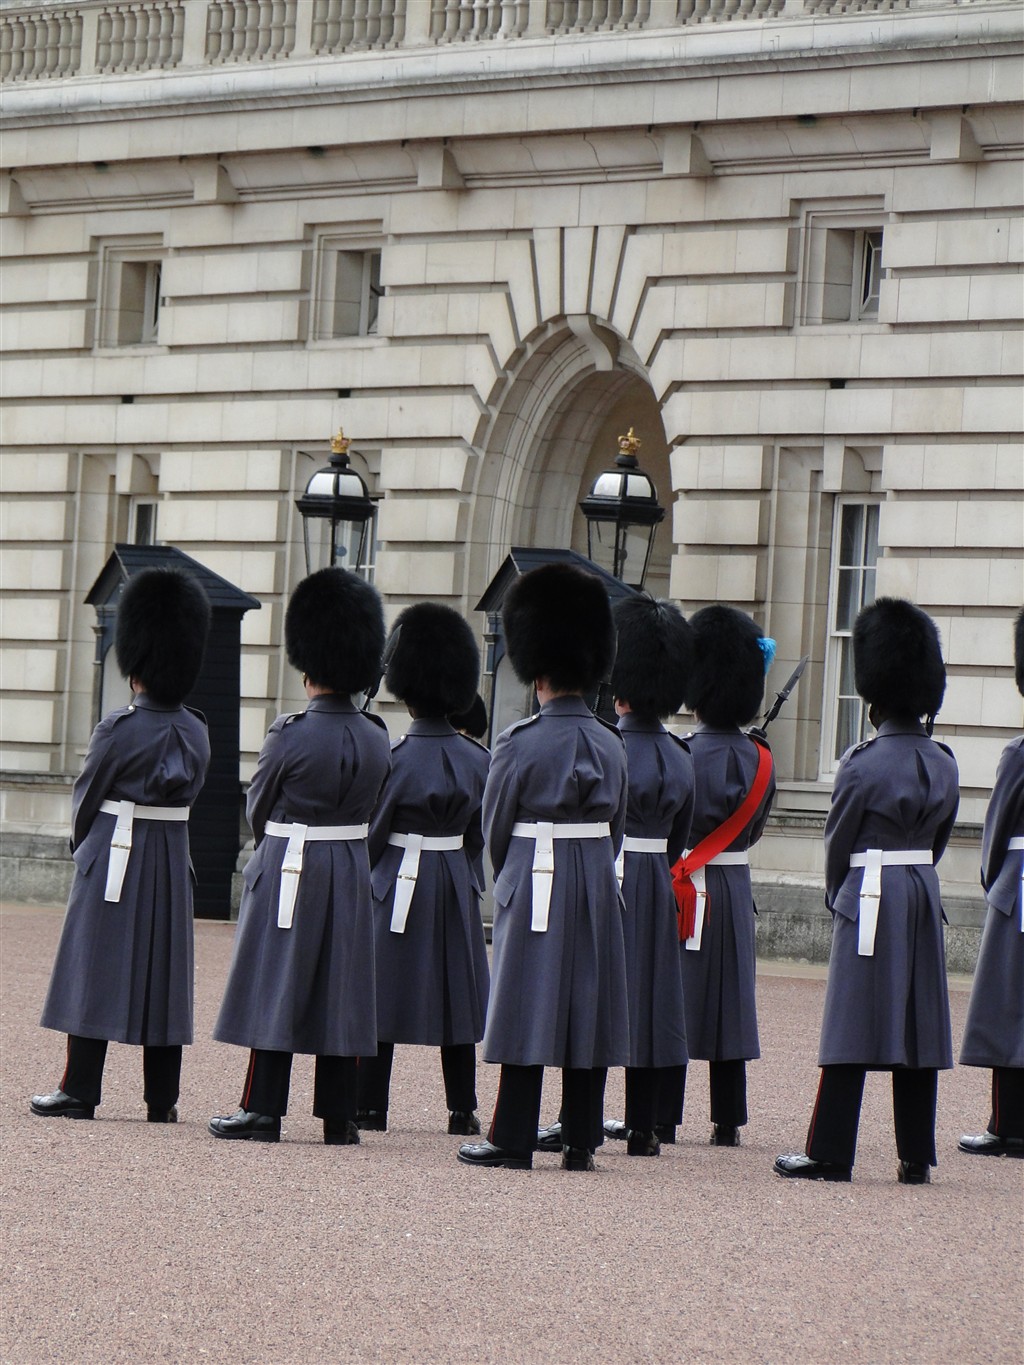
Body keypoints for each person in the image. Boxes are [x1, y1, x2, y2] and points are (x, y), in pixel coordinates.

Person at [774, 597, 959, 1184]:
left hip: (870, 892)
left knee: (850, 1023)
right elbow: (939, 841)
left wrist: (839, 896)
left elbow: (839, 842)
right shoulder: (946, 762)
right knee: (918, 1026)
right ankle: (915, 1157)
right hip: (921, 892)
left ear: (873, 699)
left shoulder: (861, 762)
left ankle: (831, 1153)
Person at [209, 567, 390, 1145]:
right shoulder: (377, 736)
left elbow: (259, 807)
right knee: (342, 988)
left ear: (308, 666)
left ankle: (263, 1109)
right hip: (350, 865)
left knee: (277, 983)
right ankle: (339, 1116)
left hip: (291, 861)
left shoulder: (289, 733)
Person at [457, 562, 629, 1172]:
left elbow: (496, 826)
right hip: (595, 876)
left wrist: (512, 879)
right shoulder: (612, 742)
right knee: (589, 1007)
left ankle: (512, 1137)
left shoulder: (518, 740)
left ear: (538, 672)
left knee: (524, 1003)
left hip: (536, 875)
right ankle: (580, 1139)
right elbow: (616, 827)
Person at [31, 567, 211, 1123]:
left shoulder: (118, 727)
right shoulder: (197, 728)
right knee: (165, 976)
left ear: (135, 665)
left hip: (116, 850)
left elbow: (87, 799)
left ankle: (80, 1090)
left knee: (94, 968)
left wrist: (84, 851)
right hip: (171, 853)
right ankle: (162, 1099)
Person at [542, 593, 694, 1158]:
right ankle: (644, 1127)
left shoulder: (609, 744)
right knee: (652, 1000)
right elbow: (680, 836)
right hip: (657, 879)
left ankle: (575, 1118)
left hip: (611, 875)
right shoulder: (680, 754)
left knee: (597, 996)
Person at [356, 603, 490, 1136]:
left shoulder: (394, 757)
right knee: (457, 999)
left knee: (381, 994)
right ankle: (462, 1109)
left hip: (397, 881)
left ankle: (371, 1105)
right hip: (454, 878)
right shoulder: (478, 759)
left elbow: (374, 831)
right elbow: (479, 834)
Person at [675, 604, 776, 1147]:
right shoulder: (762, 759)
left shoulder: (683, 753)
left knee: (677, 997)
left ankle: (663, 1113)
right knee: (730, 1001)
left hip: (687, 883)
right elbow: (754, 830)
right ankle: (728, 1119)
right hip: (734, 886)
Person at [958, 607, 1024, 1159]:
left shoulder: (1020, 753)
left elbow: (997, 830)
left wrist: (994, 882)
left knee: (1008, 1008)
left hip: (1020, 887)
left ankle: (1008, 1127)